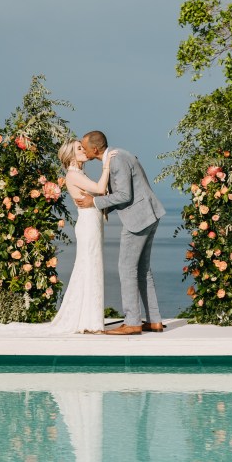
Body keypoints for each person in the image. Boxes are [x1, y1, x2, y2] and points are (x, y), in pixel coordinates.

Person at [76, 131, 165, 335]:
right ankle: (154, 320)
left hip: (139, 219)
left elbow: (125, 195)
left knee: (126, 269)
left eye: (84, 146)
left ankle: (133, 322)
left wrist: (95, 203)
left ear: (95, 149)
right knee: (143, 271)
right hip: (148, 214)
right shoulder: (116, 157)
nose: (83, 149)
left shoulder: (117, 160)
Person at [45, 139, 115, 334]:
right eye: (78, 148)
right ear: (71, 156)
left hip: (92, 223)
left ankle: (90, 318)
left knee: (91, 266)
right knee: (90, 266)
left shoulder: (80, 174)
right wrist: (107, 164)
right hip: (88, 224)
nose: (83, 150)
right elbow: (100, 189)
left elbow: (100, 192)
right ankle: (90, 321)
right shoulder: (73, 175)